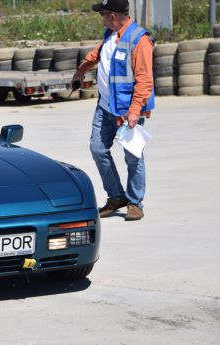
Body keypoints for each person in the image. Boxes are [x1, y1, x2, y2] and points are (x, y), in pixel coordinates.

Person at [71, 0, 154, 221]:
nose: (101, 18)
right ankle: (116, 196)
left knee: (133, 157)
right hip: (105, 107)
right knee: (98, 149)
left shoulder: (139, 40)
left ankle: (135, 202)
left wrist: (135, 110)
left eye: (103, 14)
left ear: (114, 16)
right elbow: (97, 55)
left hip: (127, 112)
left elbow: (145, 80)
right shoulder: (110, 34)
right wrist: (81, 70)